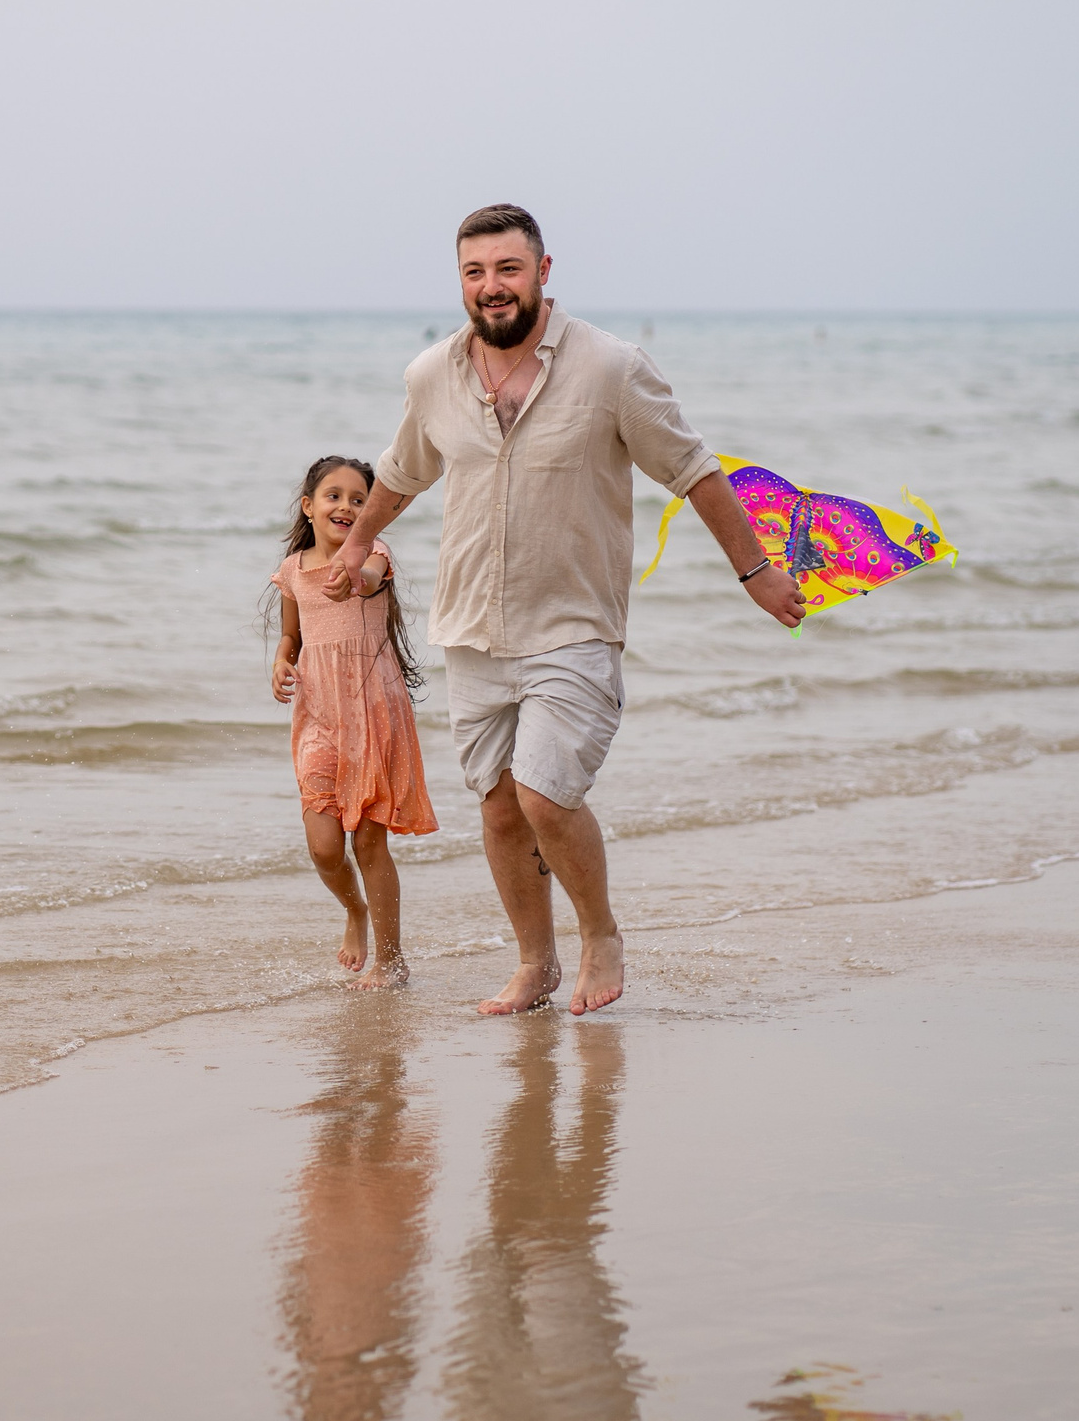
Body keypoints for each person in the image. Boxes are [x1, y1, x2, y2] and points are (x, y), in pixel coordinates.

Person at [322, 204, 805, 1017]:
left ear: (544, 272)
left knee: (545, 793)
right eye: (475, 273)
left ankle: (600, 933)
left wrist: (754, 570)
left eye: (507, 269)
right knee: (502, 809)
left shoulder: (612, 368)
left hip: (575, 624)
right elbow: (402, 470)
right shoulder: (432, 375)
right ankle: (535, 963)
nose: (491, 287)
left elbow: (694, 471)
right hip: (472, 624)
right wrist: (349, 546)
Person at [270, 455, 439, 987]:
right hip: (318, 714)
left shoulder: (375, 554)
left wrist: (357, 573)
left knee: (369, 842)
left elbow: (367, 579)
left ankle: (391, 959)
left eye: (359, 499)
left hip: (372, 712)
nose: (345, 506)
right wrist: (280, 661)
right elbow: (291, 637)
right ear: (309, 506)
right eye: (333, 496)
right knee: (323, 846)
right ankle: (355, 911)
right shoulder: (293, 571)